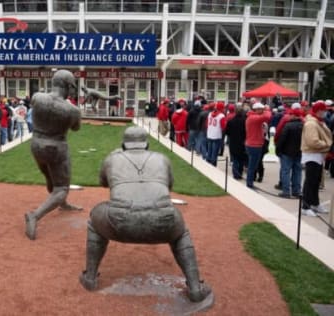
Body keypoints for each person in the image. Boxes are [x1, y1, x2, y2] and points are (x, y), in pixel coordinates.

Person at [79, 126, 212, 303]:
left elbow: (103, 183)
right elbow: (169, 187)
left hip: (120, 221)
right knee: (181, 232)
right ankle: (195, 288)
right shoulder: (162, 158)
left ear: (124, 145)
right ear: (146, 144)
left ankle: (90, 278)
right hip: (163, 221)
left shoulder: (113, 158)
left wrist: (116, 160)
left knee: (95, 219)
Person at [24, 69, 82, 240]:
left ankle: (62, 204)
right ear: (66, 86)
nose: (72, 90)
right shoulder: (72, 110)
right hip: (56, 147)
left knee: (51, 179)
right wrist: (76, 112)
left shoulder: (37, 97)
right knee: (62, 188)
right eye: (71, 87)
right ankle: (35, 215)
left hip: (36, 145)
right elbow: (76, 128)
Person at [300, 101, 333, 216]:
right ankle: (305, 206)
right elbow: (312, 141)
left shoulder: (318, 122)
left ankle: (314, 203)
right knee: (310, 181)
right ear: (319, 111)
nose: (325, 112)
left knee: (315, 181)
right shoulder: (311, 124)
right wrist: (327, 144)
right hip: (312, 155)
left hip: (317, 155)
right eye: (324, 110)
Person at [276, 108, 304, 198]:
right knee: (297, 172)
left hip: (287, 152)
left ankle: (286, 191)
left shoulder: (288, 125)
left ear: (293, 115)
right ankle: (297, 191)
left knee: (286, 172)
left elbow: (282, 139)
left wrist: (278, 149)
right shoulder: (304, 125)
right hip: (299, 152)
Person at [245, 102, 271, 188]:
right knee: (252, 166)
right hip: (254, 145)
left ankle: (250, 182)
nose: (263, 111)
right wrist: (267, 109)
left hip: (253, 144)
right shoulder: (254, 118)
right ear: (256, 110)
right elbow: (267, 116)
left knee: (253, 165)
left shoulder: (251, 117)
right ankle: (249, 183)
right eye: (261, 109)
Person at [225, 105, 247, 180]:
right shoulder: (245, 121)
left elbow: (227, 132)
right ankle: (239, 173)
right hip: (242, 141)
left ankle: (235, 174)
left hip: (233, 141)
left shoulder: (231, 121)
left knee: (235, 159)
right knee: (241, 159)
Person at [206, 101, 226, 166]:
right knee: (215, 152)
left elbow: (207, 124)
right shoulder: (221, 115)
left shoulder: (210, 113)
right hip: (217, 135)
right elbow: (223, 127)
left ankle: (208, 162)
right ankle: (213, 165)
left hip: (210, 134)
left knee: (209, 150)